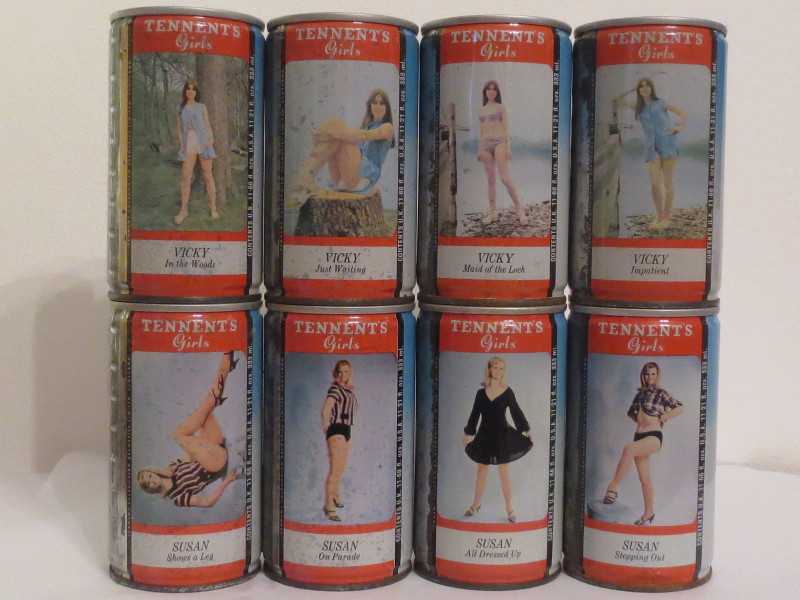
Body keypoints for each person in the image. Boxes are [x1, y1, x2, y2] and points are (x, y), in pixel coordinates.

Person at [136, 351, 238, 508]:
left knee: (205, 413)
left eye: (149, 476)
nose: (151, 480)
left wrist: (201, 441)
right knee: (179, 433)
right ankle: (221, 380)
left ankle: (224, 370)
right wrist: (226, 482)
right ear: (150, 490)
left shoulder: (172, 466)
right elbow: (206, 502)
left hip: (214, 452)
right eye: (148, 484)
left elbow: (192, 456)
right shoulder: (176, 497)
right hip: (215, 467)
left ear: (153, 472)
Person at [602, 362, 684, 525]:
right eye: (647, 374)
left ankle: (612, 486)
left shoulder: (661, 393)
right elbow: (631, 413)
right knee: (644, 479)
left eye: (653, 374)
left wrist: (664, 417)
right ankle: (649, 512)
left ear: (657, 375)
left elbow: (679, 407)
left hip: (654, 436)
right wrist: (640, 420)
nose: (650, 377)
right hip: (639, 436)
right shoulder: (639, 395)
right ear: (643, 376)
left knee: (628, 449)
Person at [288, 89, 396, 209]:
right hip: (342, 179)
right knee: (334, 124)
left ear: (387, 107)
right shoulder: (362, 127)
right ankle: (306, 179)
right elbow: (350, 135)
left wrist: (329, 134)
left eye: (382, 103)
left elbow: (367, 135)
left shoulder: (388, 128)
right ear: (370, 105)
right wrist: (323, 135)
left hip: (363, 179)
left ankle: (302, 183)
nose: (378, 106)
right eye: (374, 102)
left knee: (339, 130)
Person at [462, 357, 533, 523]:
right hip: (484, 436)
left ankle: (509, 507)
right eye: (495, 367)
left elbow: (516, 411)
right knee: (481, 471)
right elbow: (474, 415)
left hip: (502, 436)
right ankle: (476, 503)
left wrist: (526, 429)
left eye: (501, 368)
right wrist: (467, 433)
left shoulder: (507, 392)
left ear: (503, 371)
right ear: (489, 370)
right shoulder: (480, 394)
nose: (498, 371)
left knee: (504, 473)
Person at [615, 78, 687, 230]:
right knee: (654, 184)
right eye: (642, 86)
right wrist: (633, 88)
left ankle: (666, 218)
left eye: (647, 86)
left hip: (667, 142)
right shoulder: (638, 107)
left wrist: (679, 127)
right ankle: (659, 215)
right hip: (651, 146)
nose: (645, 88)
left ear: (652, 88)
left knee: (667, 182)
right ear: (639, 89)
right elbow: (618, 98)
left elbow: (682, 113)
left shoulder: (661, 103)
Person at [477, 80, 528, 226]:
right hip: (485, 145)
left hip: (499, 142)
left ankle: (519, 210)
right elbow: (482, 130)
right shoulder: (481, 110)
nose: (491, 91)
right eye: (489, 89)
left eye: (494, 89)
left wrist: (508, 147)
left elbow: (506, 128)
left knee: (504, 178)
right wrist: (479, 149)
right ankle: (492, 212)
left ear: (497, 92)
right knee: (490, 179)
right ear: (485, 92)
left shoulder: (500, 107)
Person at [174, 80, 217, 225]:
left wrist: (211, 139)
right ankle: (183, 209)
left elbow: (207, 125)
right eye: (188, 89)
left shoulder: (201, 107)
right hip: (189, 144)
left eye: (193, 89)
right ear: (185, 91)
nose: (190, 91)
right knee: (186, 176)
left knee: (207, 174)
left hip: (203, 142)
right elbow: (180, 129)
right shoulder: (180, 108)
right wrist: (182, 144)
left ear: (196, 92)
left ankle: (213, 208)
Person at [320, 360, 359, 521]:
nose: (344, 375)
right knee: (335, 470)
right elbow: (325, 410)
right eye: (340, 372)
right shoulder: (335, 389)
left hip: (346, 429)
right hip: (336, 429)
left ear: (350, 372)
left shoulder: (348, 391)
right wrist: (328, 430)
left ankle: (335, 495)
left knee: (341, 469)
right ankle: (328, 506)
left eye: (346, 371)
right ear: (336, 374)